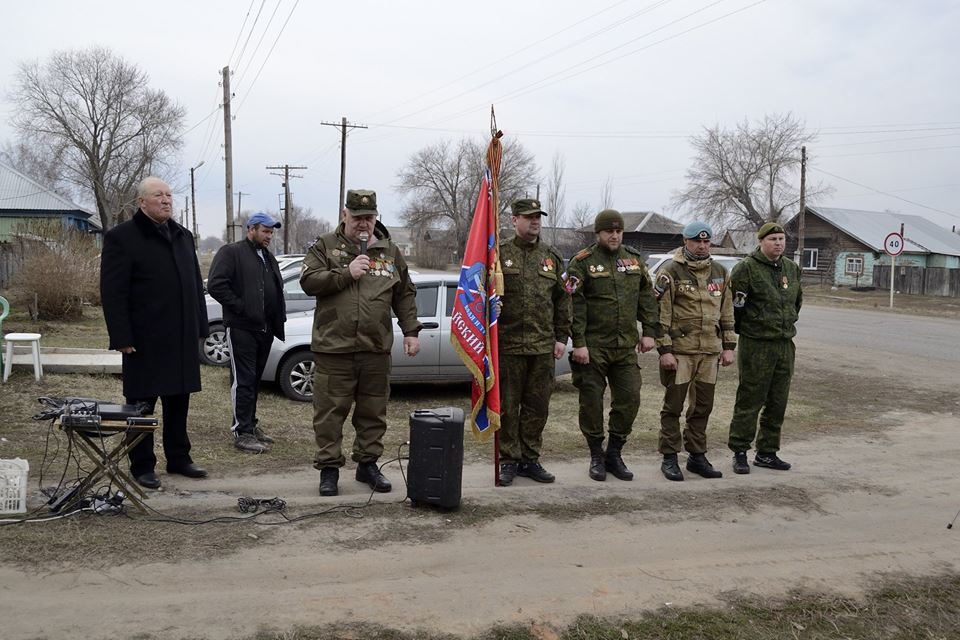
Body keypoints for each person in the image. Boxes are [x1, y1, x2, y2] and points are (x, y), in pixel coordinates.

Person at [300, 189, 422, 497]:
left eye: (369, 218)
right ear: (345, 215)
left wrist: (410, 331)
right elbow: (308, 282)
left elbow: (404, 294)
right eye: (357, 218)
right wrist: (344, 274)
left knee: (372, 412)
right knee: (329, 414)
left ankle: (368, 465)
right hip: (334, 349)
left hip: (375, 348)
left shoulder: (390, 252)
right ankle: (329, 470)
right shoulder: (325, 246)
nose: (363, 224)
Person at [100, 177, 209, 489]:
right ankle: (142, 465)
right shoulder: (122, 237)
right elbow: (113, 291)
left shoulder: (183, 236)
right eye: (158, 195)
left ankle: (179, 458)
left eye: (169, 195)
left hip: (180, 337)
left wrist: (200, 327)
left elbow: (195, 287)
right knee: (141, 407)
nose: (166, 200)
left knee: (178, 402)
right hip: (144, 340)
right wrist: (121, 337)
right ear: (141, 202)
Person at [564, 209, 659, 482]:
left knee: (630, 397)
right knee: (591, 402)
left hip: (625, 346)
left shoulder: (634, 260)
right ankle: (596, 454)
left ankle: (615, 453)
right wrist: (579, 343)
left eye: (618, 231)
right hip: (593, 348)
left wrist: (649, 331)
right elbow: (575, 305)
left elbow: (646, 297)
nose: (614, 235)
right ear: (599, 233)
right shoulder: (582, 263)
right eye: (609, 231)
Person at [496, 198, 572, 486]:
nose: (535, 221)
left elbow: (563, 299)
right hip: (508, 345)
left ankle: (530, 458)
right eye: (528, 217)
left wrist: (561, 336)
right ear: (514, 220)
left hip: (542, 347)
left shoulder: (551, 256)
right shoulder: (499, 255)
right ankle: (508, 460)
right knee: (507, 407)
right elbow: (481, 294)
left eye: (538, 217)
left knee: (537, 407)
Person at [653, 221, 735, 481]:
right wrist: (664, 350)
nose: (702, 246)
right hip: (681, 352)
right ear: (685, 242)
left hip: (710, 351)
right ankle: (669, 457)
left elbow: (727, 310)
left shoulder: (720, 271)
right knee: (673, 406)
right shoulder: (670, 272)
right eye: (696, 241)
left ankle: (697, 456)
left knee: (702, 406)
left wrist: (729, 346)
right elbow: (660, 315)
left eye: (706, 242)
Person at [207, 212, 287, 454]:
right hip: (242, 328)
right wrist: (243, 308)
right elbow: (216, 285)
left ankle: (250, 425)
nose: (269, 236)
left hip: (265, 329)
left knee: (254, 380)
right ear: (251, 229)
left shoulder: (267, 257)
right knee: (242, 380)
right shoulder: (231, 252)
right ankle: (241, 431)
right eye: (265, 231)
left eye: (271, 232)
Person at [727, 221, 803, 474]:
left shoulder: (791, 269)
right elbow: (735, 309)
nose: (778, 243)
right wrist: (752, 329)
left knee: (777, 400)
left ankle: (767, 452)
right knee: (750, 398)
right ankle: (739, 451)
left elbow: (796, 302)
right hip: (756, 344)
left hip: (783, 343)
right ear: (761, 242)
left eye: (781, 239)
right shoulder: (746, 269)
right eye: (773, 239)